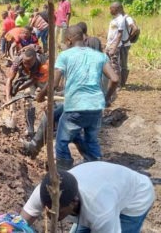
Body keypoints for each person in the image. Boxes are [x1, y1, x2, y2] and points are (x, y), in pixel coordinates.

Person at [36, 26, 119, 170]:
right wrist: (106, 98)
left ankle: (64, 175)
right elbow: (115, 79)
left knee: (62, 142)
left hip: (75, 106)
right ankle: (94, 171)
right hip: (96, 106)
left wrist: (41, 95)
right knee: (92, 141)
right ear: (83, 38)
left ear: (68, 40)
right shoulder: (99, 56)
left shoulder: (65, 55)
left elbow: (54, 83)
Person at [21, 162, 155, 233]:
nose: (50, 215)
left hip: (136, 198)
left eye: (57, 212)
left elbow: (100, 217)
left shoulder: (100, 212)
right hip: (107, 185)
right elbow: (20, 222)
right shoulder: (47, 191)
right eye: (47, 210)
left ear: (73, 202)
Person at [6, 47, 49, 137]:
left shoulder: (42, 63)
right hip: (29, 78)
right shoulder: (18, 61)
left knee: (51, 99)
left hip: (43, 79)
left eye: (29, 63)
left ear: (34, 59)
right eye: (24, 62)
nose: (26, 64)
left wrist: (20, 88)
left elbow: (34, 80)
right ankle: (30, 128)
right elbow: (9, 79)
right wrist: (8, 99)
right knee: (27, 97)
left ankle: (52, 125)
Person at [120, 4, 139, 87]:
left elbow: (135, 28)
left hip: (125, 44)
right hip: (121, 44)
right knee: (119, 63)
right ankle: (120, 82)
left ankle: (122, 83)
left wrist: (127, 39)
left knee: (123, 64)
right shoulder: (121, 18)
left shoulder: (127, 18)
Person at [105, 2, 124, 82]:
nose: (110, 10)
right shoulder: (114, 18)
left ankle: (117, 84)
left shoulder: (120, 19)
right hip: (109, 44)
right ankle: (110, 81)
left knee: (115, 65)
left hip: (114, 45)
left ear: (116, 9)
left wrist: (114, 47)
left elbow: (120, 34)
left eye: (111, 8)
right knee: (108, 64)